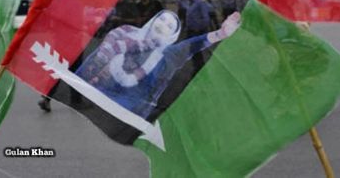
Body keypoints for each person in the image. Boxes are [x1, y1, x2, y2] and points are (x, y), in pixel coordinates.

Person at [75, 9, 240, 118]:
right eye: (162, 19)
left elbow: (192, 45)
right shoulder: (127, 33)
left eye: (170, 26)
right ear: (154, 20)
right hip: (100, 101)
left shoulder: (168, 55)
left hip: (129, 113)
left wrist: (220, 34)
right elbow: (95, 62)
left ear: (172, 35)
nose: (163, 25)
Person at [178, 0, 211, 70]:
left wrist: (199, 28)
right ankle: (198, 67)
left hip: (197, 31)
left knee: (196, 52)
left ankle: (199, 69)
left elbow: (206, 19)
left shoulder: (200, 2)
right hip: (190, 31)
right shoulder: (189, 3)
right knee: (193, 51)